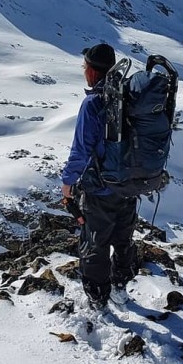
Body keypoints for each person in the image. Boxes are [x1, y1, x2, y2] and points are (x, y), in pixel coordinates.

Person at [61, 43, 138, 310]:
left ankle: (97, 298)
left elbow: (81, 151)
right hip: (129, 186)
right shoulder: (131, 97)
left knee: (95, 242)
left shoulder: (93, 103)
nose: (84, 71)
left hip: (100, 189)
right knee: (124, 238)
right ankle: (120, 286)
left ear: (93, 71)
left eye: (85, 67)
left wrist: (68, 183)